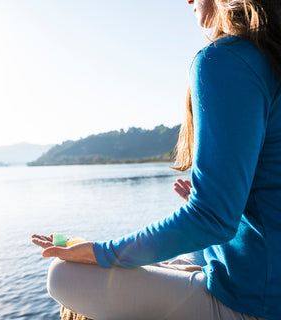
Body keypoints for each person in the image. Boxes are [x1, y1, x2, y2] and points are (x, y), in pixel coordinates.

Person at [32, 0, 281, 319]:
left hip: (254, 302)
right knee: (176, 254)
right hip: (254, 275)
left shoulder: (227, 60)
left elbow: (212, 221)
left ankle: (85, 250)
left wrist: (100, 252)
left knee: (62, 276)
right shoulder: (269, 57)